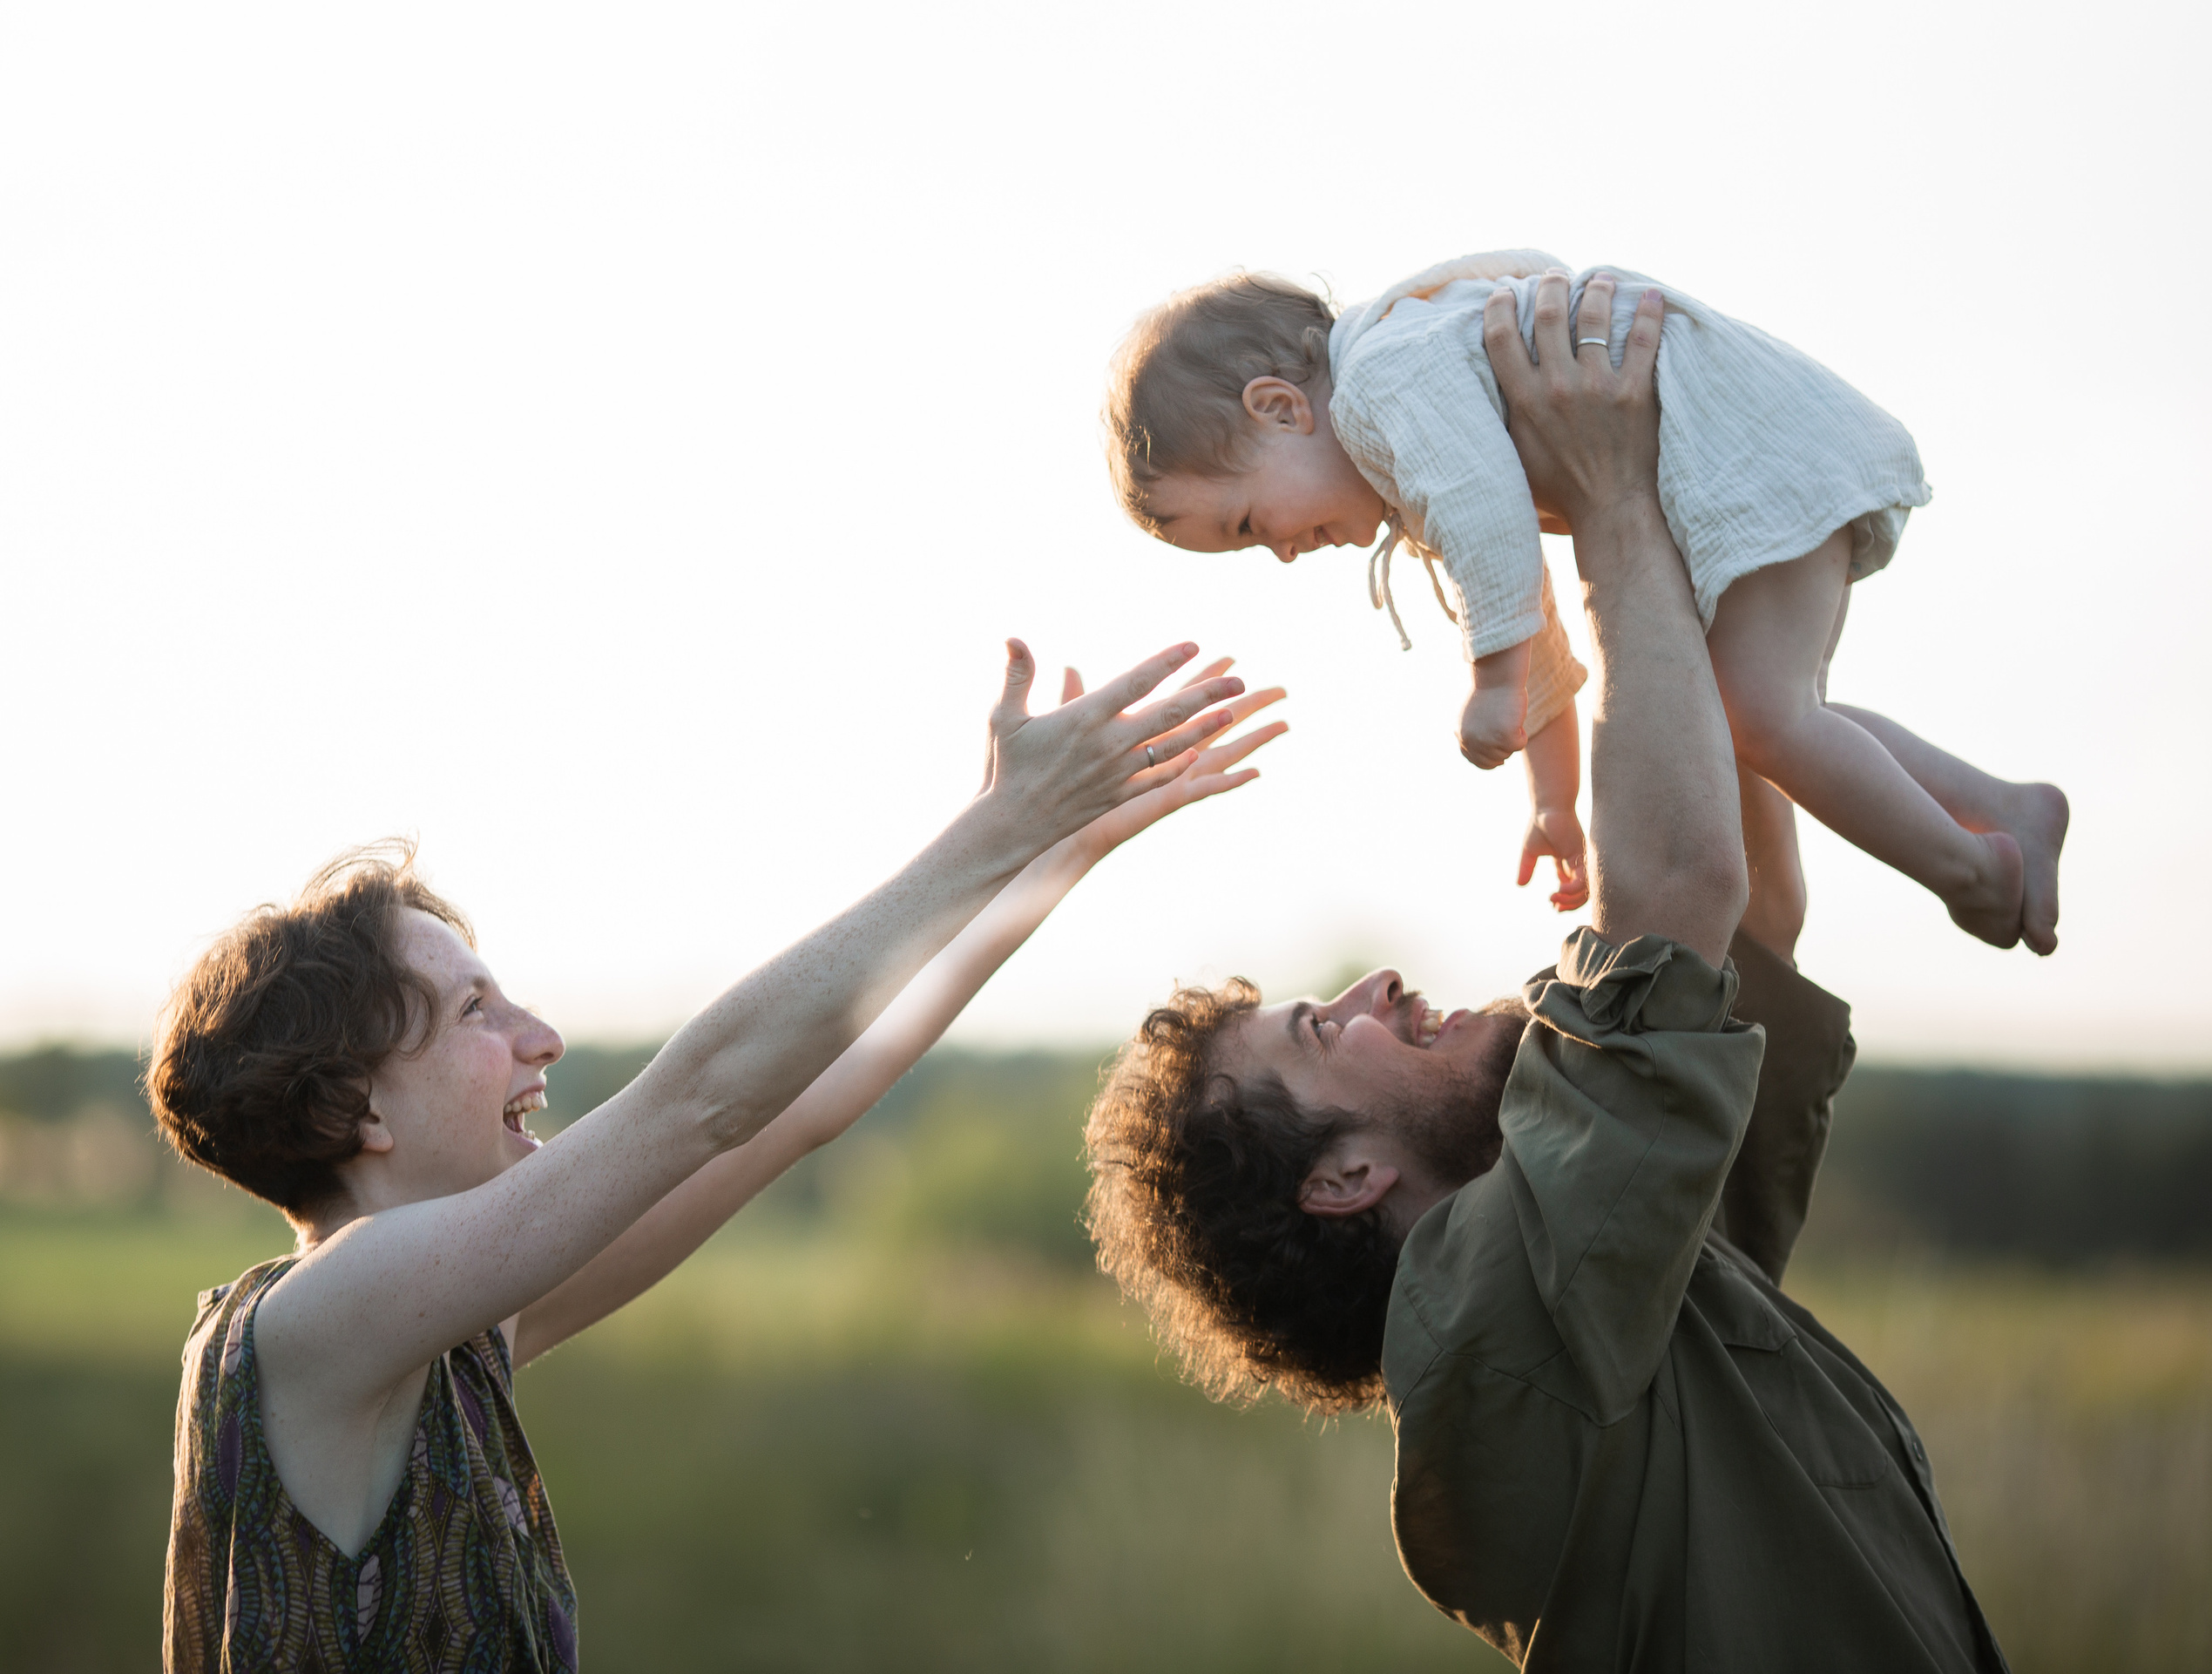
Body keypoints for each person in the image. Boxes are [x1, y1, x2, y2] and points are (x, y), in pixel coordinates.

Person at [1085, 276, 2009, 1671]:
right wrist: (1616, 502)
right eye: (1317, 1031)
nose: (1372, 988)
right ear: (1339, 1180)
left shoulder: (1617, 1257)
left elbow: (1742, 920)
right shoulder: (1499, 1330)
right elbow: (1683, 897)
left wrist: (1677, 564)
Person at [148, 641, 1285, 1671]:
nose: (540, 1035)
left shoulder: (448, 1341)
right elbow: (704, 1096)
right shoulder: (317, 1320)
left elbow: (804, 1100)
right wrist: (990, 830)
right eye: (475, 1013)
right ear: (362, 1108)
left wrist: (1043, 849)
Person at [1103, 254, 2067, 955]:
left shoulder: (1381, 384)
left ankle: (1972, 871)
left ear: (1279, 405)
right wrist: (1553, 798)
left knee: (1765, 716)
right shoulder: (1409, 433)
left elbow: (1493, 536)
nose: (1275, 552)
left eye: (1241, 523)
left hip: (1747, 457)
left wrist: (1488, 684)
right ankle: (2000, 809)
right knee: (1751, 715)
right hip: (1749, 454)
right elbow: (1537, 622)